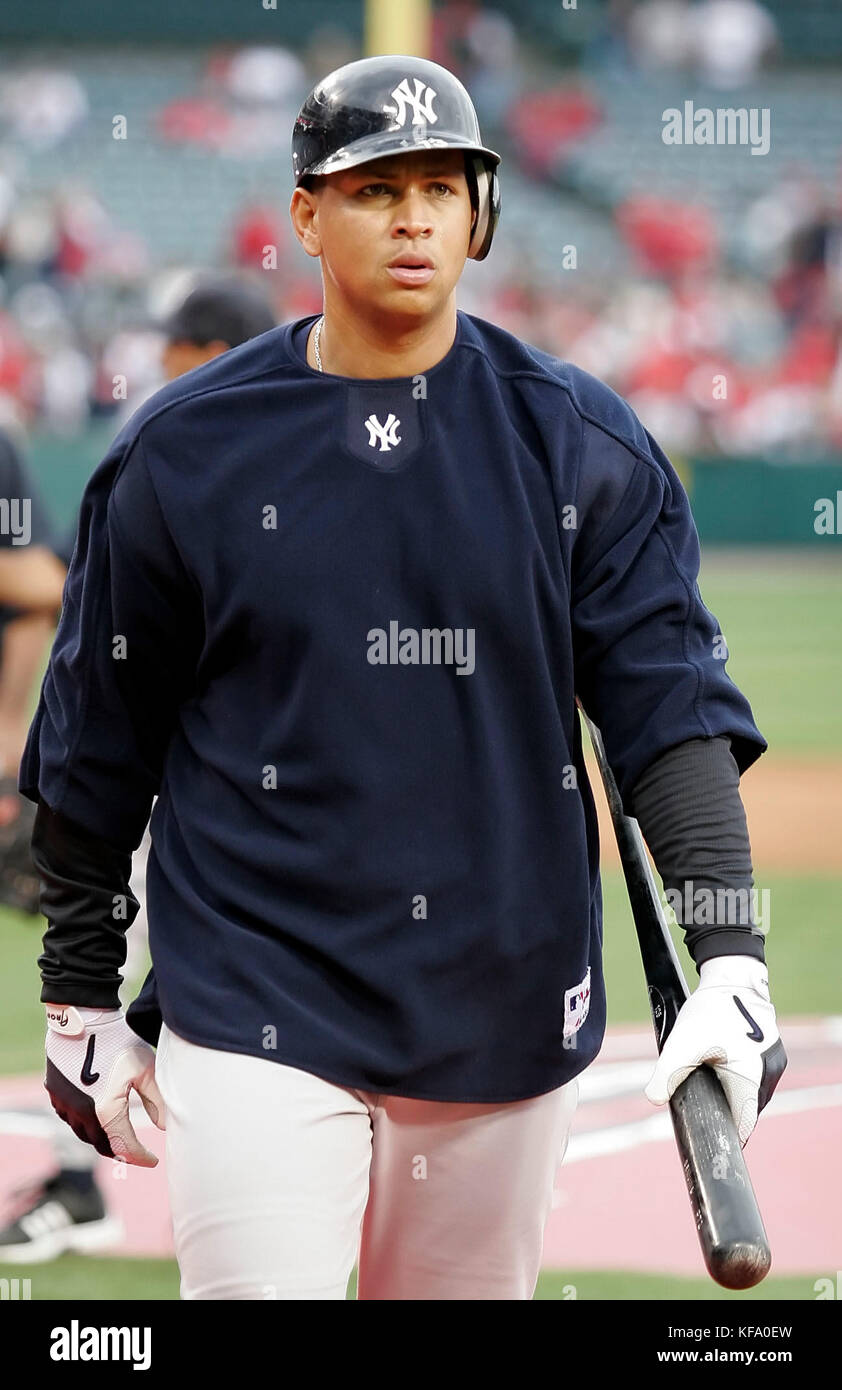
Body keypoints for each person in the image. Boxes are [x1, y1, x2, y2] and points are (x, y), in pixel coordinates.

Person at [19, 56, 785, 1301]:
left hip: (502, 995)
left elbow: (667, 714)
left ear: (480, 216)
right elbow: (99, 742)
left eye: (443, 187)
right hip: (254, 993)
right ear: (308, 215)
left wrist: (732, 957)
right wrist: (78, 994)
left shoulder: (577, 447)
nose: (416, 215)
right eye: (378, 189)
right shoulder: (181, 454)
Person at [0, 273, 276, 1263]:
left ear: (214, 353)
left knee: (116, 985)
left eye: (178, 357)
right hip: (167, 773)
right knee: (113, 981)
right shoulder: (164, 451)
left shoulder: (209, 450)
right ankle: (87, 1177)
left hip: (188, 779)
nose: (161, 375)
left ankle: (88, 1183)